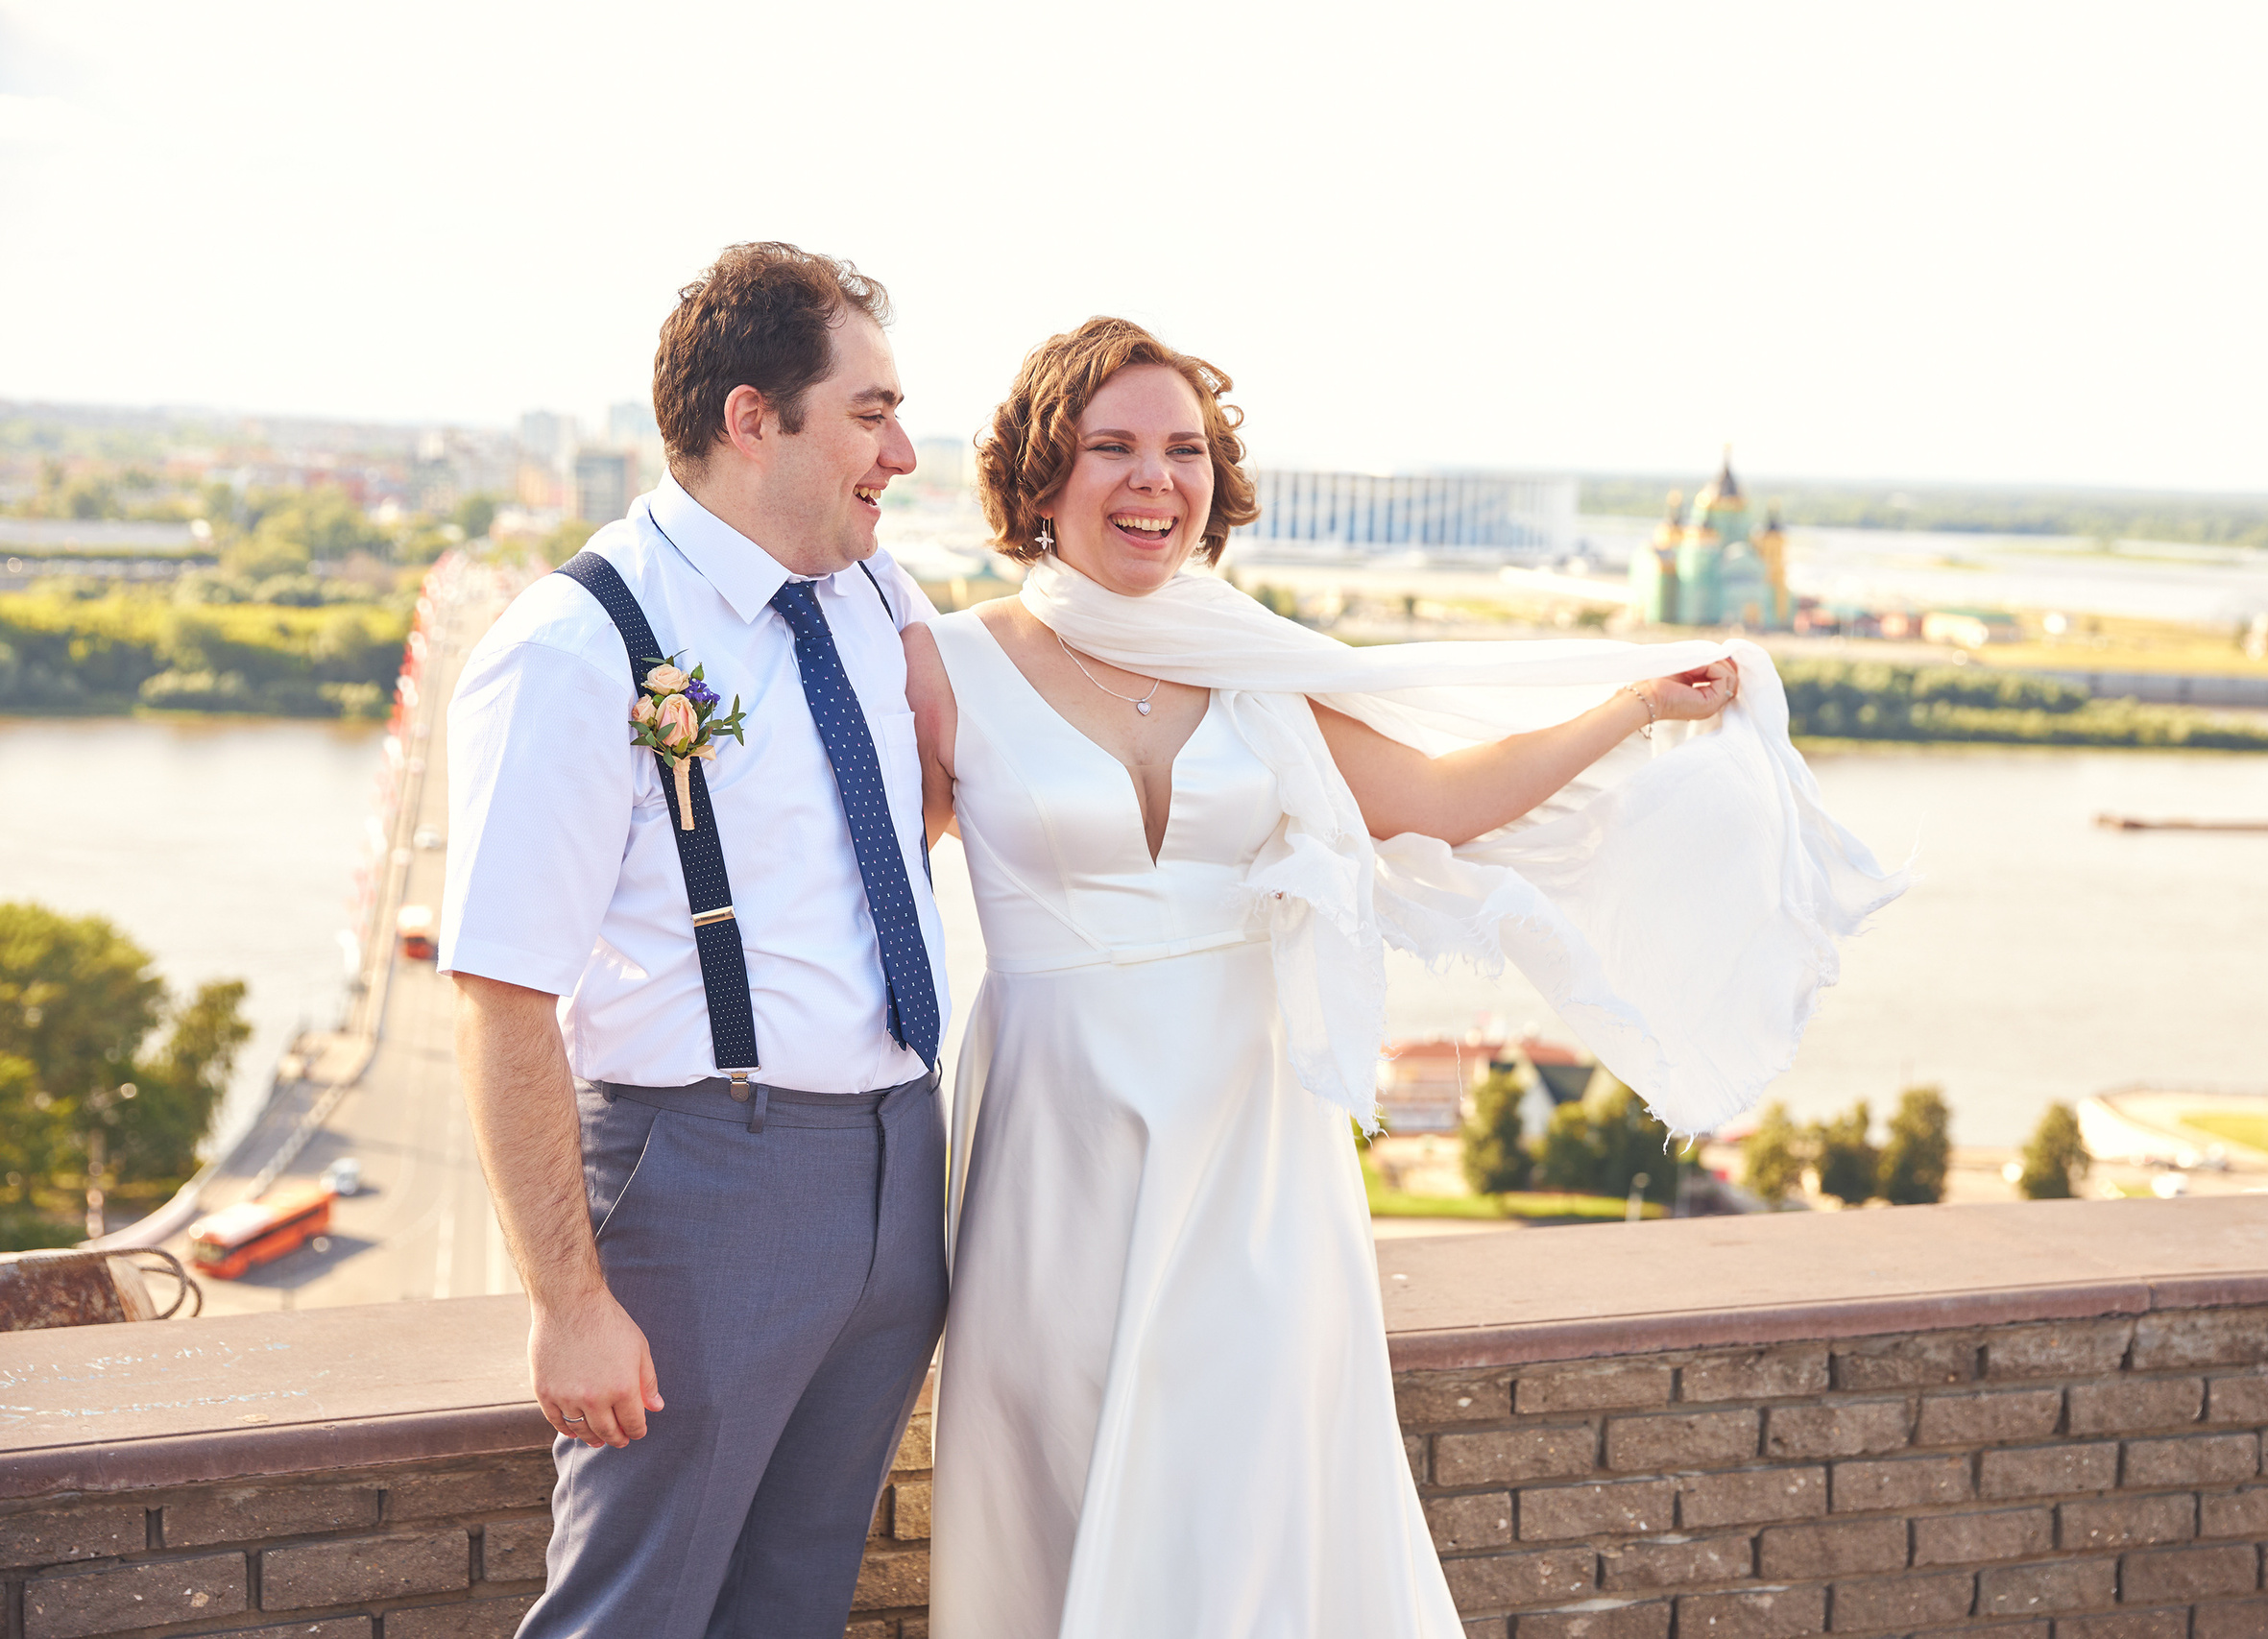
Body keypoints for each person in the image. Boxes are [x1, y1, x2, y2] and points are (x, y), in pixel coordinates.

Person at [904, 319, 1906, 1637]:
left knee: (1255, 1480)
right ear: (1039, 477)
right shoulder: (945, 664)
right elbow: (872, 889)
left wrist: (1633, 709)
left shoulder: (1252, 665)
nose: (1157, 479)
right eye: (1115, 447)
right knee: (1063, 1461)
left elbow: (1440, 798)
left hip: (1254, 1141)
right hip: (1055, 1140)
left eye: (1185, 451)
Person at [439, 243, 951, 1639]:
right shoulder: (573, 647)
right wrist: (568, 1302)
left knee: (791, 1605)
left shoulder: (872, 600)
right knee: (635, 1613)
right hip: (702, 1185)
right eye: (870, 411)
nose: (902, 452)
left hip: (903, 1176)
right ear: (750, 417)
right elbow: (499, 999)